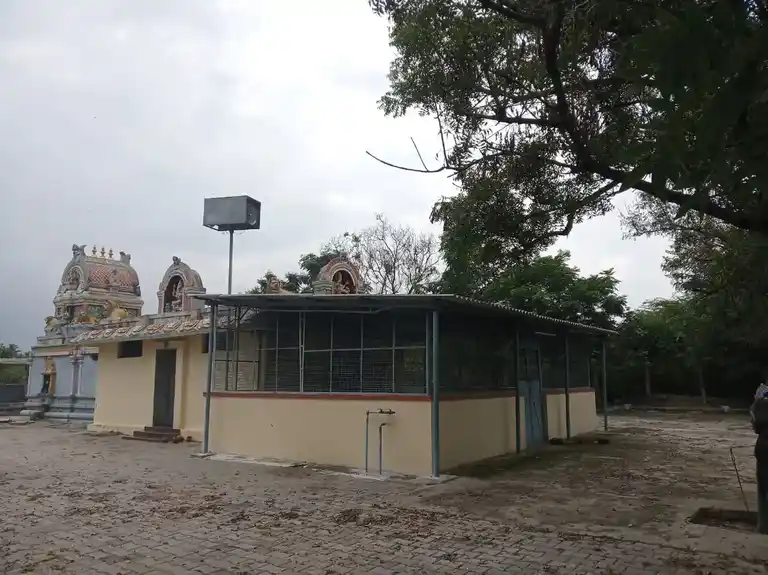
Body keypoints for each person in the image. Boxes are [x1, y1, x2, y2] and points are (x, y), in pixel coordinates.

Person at [751, 385, 768, 533]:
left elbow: (756, 425)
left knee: (763, 487)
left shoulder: (762, 397)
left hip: (764, 447)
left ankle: (764, 526)